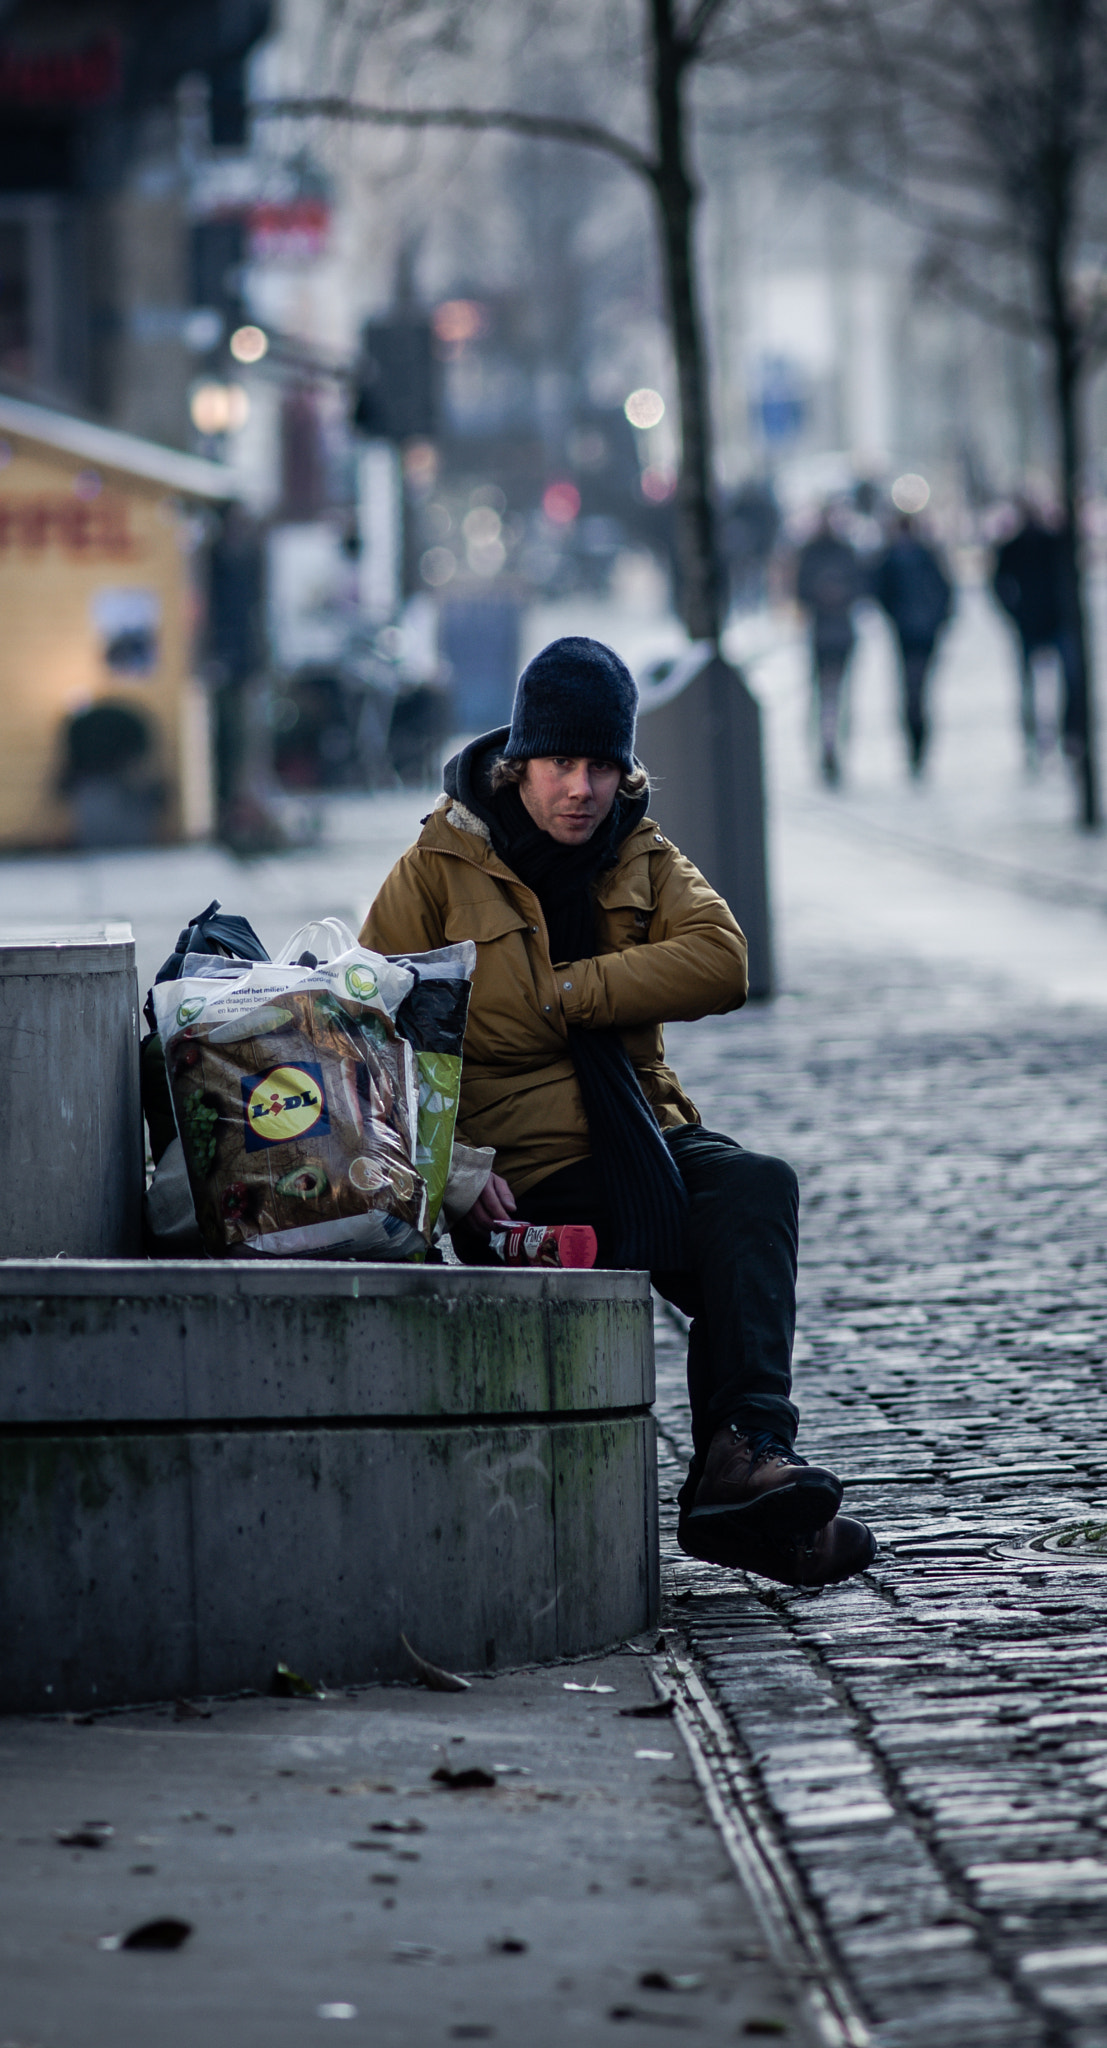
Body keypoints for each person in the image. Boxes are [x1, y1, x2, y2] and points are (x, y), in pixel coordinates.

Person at [361, 636, 876, 1588]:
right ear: (519, 763)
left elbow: (723, 962)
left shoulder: (638, 851)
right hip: (524, 1174)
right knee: (712, 1231)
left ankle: (741, 1455)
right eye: (561, 763)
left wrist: (567, 992)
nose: (581, 789)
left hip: (642, 1136)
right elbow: (374, 1041)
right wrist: (462, 1177)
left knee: (754, 1190)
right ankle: (755, 1520)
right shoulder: (437, 868)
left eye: (602, 765)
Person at [992, 502, 1077, 768]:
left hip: (1048, 620)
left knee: (1064, 680)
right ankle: (1041, 735)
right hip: (1036, 621)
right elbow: (999, 583)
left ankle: (1060, 734)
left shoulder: (1047, 544)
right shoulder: (1016, 547)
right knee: (1039, 683)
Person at [871, 514, 953, 776]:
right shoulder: (899, 558)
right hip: (912, 634)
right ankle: (917, 743)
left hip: (918, 633)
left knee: (914, 691)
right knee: (916, 692)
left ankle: (917, 743)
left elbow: (944, 593)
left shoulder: (914, 557)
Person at [795, 505, 865, 786]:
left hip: (839, 633)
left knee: (836, 695)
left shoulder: (843, 552)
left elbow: (861, 587)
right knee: (827, 694)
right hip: (823, 634)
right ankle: (827, 744)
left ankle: (833, 744)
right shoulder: (814, 552)